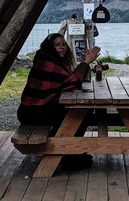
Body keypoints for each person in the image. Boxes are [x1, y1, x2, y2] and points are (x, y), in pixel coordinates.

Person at [17, 33, 101, 169]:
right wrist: (86, 62)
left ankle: (70, 151)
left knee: (80, 112)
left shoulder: (48, 59)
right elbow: (72, 82)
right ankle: (68, 155)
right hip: (34, 113)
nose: (62, 47)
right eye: (57, 45)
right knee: (79, 114)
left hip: (34, 110)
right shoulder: (47, 63)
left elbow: (67, 80)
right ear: (50, 47)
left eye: (63, 44)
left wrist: (84, 63)